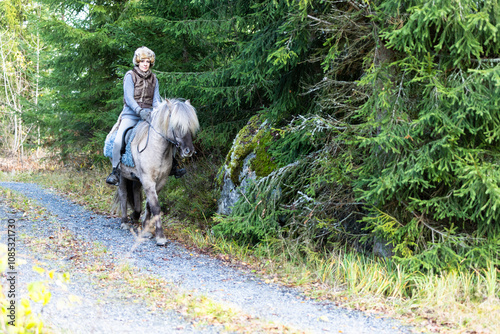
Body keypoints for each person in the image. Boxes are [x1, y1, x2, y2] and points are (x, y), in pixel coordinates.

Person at [106, 46, 186, 185]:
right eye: (142, 61)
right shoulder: (130, 76)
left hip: (149, 115)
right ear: (137, 62)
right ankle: (115, 171)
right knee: (119, 140)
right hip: (131, 114)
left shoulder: (154, 79)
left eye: (147, 62)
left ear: (150, 63)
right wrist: (139, 111)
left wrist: (158, 112)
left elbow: (155, 100)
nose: (145, 64)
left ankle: (173, 166)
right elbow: (129, 98)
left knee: (168, 135)